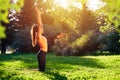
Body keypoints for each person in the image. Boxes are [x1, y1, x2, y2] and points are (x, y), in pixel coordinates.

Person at [31, 6, 48, 72]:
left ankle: (38, 70)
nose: (42, 29)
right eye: (41, 28)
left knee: (42, 70)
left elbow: (40, 25)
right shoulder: (38, 36)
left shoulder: (39, 36)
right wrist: (38, 14)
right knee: (42, 71)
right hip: (42, 54)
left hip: (42, 53)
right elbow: (40, 24)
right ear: (38, 30)